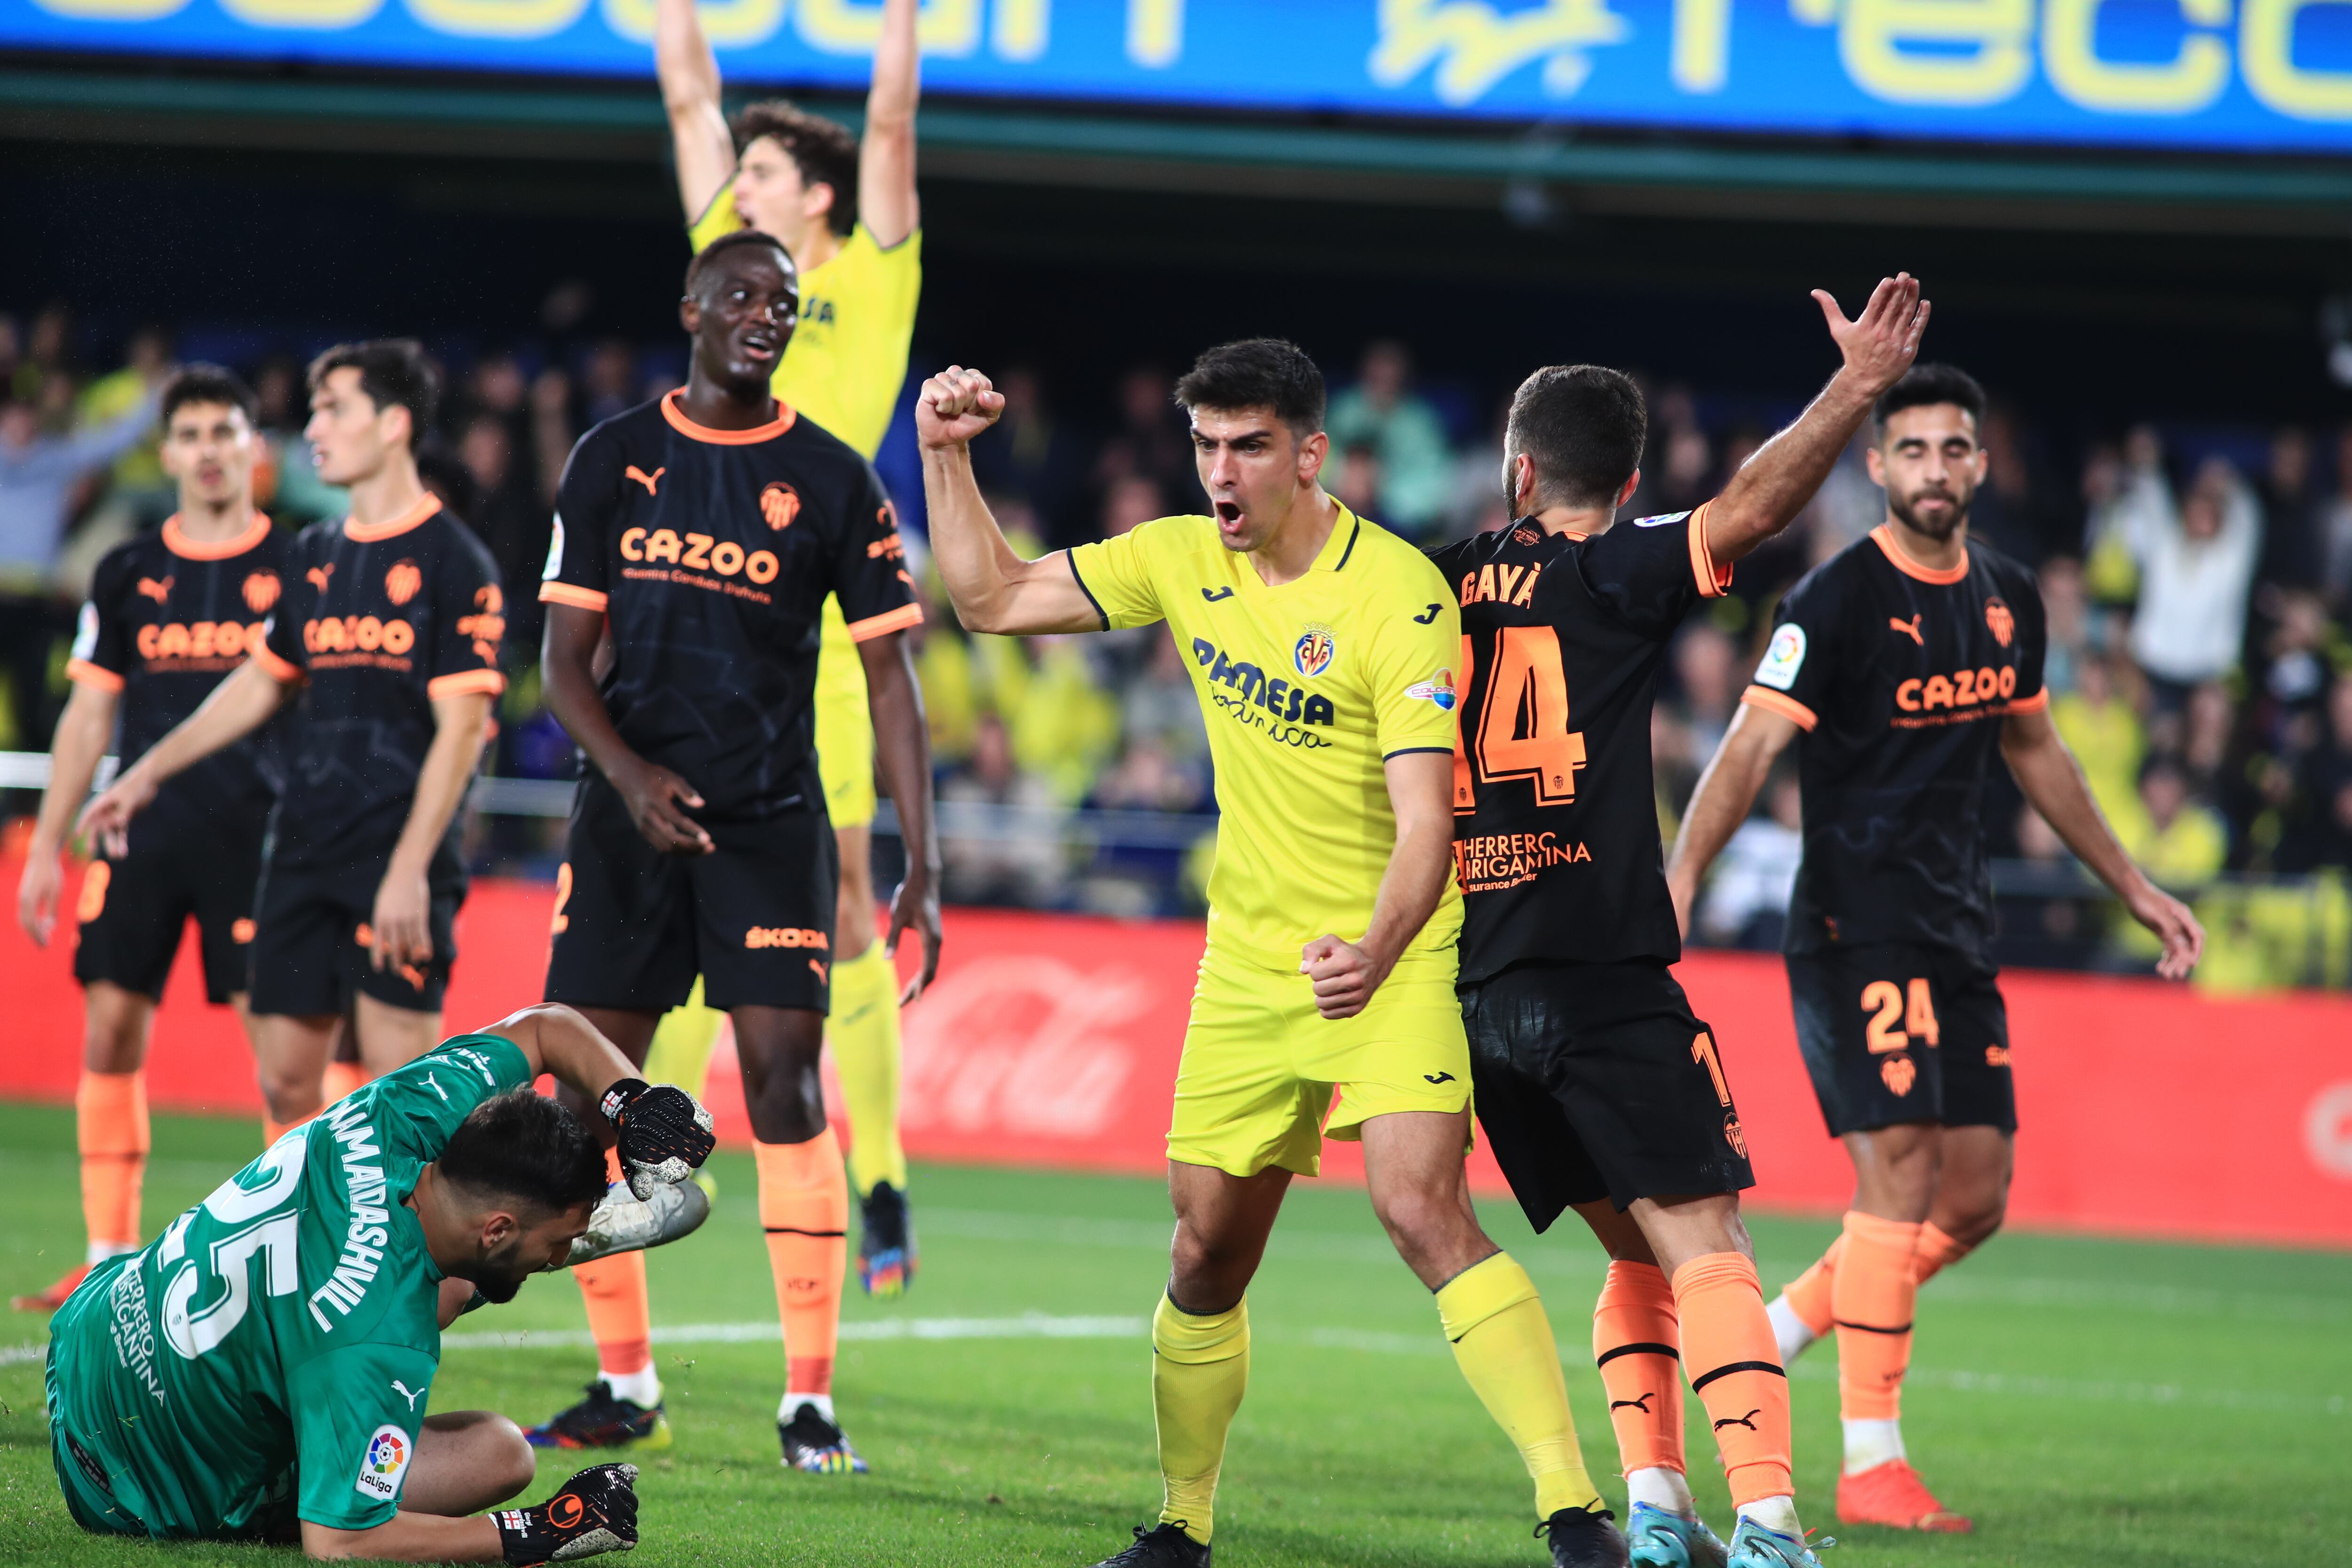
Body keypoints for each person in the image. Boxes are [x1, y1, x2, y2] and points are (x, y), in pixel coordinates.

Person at [920, 339, 1613, 1568]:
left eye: (1246, 447)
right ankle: (1183, 1522)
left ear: (1311, 455)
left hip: (1391, 946)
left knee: (1420, 1206)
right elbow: (991, 598)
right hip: (1249, 963)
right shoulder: (1181, 555)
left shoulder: (1398, 594)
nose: (1221, 474)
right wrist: (943, 455)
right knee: (1205, 1248)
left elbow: (1428, 823)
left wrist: (1376, 947)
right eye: (1204, 446)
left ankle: (1575, 1513)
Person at [1432, 276, 1928, 1568]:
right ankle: (1768, 1522)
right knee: (1705, 1236)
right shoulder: (1619, 569)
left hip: (1479, 989)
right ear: (1634, 474)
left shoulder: (1432, 583)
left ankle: (1658, 1509)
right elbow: (1757, 506)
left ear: (1519, 469)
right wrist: (1858, 386)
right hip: (1602, 970)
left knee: (1633, 1246)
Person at [1664, 363, 2205, 1534]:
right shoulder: (1831, 600)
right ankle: (1870, 1462)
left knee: (1973, 1198)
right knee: (1898, 1173)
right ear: (1877, 468)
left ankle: (1783, 1327)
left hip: (1959, 924)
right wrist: (1682, 873)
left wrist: (2132, 884)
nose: (1932, 470)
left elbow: (2039, 750)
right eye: (1910, 451)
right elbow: (1752, 748)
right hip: (1858, 925)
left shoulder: (2009, 596)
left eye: (1952, 449)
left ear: (1979, 462)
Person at [530, 230, 941, 1474]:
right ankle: (625, 1380)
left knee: (783, 1088)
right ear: (694, 309)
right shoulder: (614, 456)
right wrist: (632, 774)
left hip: (767, 825)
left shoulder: (830, 476)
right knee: (581, 1096)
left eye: (787, 302)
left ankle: (808, 1400)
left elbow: (891, 674)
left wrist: (922, 852)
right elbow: (558, 667)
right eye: (747, 296)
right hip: (625, 822)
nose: (769, 314)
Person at [626, 0, 924, 1338]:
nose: (737, 186)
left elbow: (893, 120)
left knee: (847, 896)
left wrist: (903, 13)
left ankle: (883, 1179)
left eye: (761, 175)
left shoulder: (872, 273)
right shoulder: (729, 274)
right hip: (707, 601)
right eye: (735, 174)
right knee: (679, 879)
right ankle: (658, 1140)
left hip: (823, 607)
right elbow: (687, 91)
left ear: (815, 197)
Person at [42, 1002, 713, 1560]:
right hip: (126, 1487)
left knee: (431, 1293)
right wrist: (540, 1530)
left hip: (86, 1340)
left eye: (566, 1243)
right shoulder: (376, 1335)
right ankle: (564, 1238)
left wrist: (636, 1103)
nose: (553, 1258)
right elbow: (339, 1542)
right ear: (498, 1228)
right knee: (502, 1455)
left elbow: (546, 1027)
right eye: (555, 1244)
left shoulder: (402, 1109)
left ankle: (551, 1238)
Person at [79, 341, 507, 1143]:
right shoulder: (313, 553)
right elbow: (259, 681)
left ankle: (423, 1269)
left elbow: (465, 731)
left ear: (392, 425)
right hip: (302, 847)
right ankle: (313, 1261)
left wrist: (412, 869)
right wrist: (143, 774)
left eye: (334, 409)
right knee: (284, 1078)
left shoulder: (456, 561)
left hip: (396, 852)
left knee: (403, 1084)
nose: (313, 429)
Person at [12, 367, 291, 1313]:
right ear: (166, 450)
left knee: (279, 1050)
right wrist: (49, 846)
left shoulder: (297, 563)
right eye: (193, 433)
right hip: (140, 833)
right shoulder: (128, 571)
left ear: (253, 446)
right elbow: (89, 716)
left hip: (256, 835)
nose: (210, 450)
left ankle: (287, 1256)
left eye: (227, 430)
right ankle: (109, 1252)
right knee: (110, 1027)